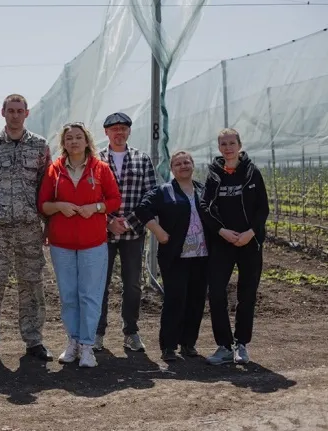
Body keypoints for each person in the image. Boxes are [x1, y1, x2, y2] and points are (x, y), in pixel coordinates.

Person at [0, 94, 53, 365]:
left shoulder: (40, 146)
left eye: (20, 110)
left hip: (29, 228)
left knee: (32, 285)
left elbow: (45, 189)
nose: (15, 115)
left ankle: (34, 340)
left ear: (27, 113)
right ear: (3, 112)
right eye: (11, 110)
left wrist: (47, 225)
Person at [37, 122, 121, 368]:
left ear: (87, 142)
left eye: (78, 137)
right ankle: (72, 341)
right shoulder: (54, 170)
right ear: (63, 143)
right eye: (69, 138)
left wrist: (95, 208)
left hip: (93, 243)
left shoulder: (101, 168)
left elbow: (114, 200)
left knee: (89, 295)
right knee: (69, 296)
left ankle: (87, 346)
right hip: (61, 243)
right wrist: (59, 206)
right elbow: (43, 204)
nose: (74, 141)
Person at [200, 128, 269, 365]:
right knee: (216, 291)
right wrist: (222, 231)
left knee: (247, 294)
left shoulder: (252, 173)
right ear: (219, 148)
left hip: (250, 242)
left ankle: (241, 344)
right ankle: (224, 345)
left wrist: (251, 232)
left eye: (231, 143)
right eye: (223, 144)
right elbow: (205, 207)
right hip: (223, 242)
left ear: (239, 145)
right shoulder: (214, 175)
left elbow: (263, 209)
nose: (228, 147)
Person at [135, 150, 210, 362]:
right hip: (175, 255)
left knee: (196, 300)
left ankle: (188, 344)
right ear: (172, 169)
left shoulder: (203, 190)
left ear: (193, 165)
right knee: (175, 299)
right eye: (178, 164)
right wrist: (158, 232)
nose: (183, 166)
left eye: (187, 162)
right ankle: (168, 346)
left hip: (202, 254)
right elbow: (142, 209)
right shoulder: (165, 191)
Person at [95, 112, 157, 352]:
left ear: (129, 131)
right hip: (103, 233)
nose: (119, 133)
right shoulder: (97, 160)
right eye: (114, 129)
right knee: (100, 283)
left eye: (123, 128)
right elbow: (93, 195)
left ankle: (131, 331)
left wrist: (129, 221)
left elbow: (150, 195)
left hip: (133, 233)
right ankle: (97, 331)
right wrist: (109, 221)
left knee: (132, 284)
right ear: (106, 133)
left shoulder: (142, 159)